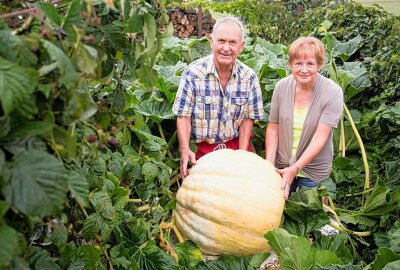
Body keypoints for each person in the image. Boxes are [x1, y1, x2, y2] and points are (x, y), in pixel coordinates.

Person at [172, 17, 264, 180]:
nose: (226, 48)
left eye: (232, 42)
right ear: (212, 41)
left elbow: (248, 120)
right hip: (203, 149)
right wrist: (185, 149)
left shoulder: (249, 77)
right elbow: (183, 116)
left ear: (241, 46)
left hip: (236, 145)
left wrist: (241, 156)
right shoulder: (193, 74)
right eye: (221, 41)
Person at [265, 36, 343, 200]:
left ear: (320, 65)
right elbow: (273, 127)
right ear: (290, 64)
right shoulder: (281, 87)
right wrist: (268, 165)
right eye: (298, 63)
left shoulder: (332, 92)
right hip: (281, 165)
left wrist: (296, 167)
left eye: (310, 64)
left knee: (307, 216)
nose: (304, 69)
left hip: (312, 170)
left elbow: (321, 136)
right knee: (279, 214)